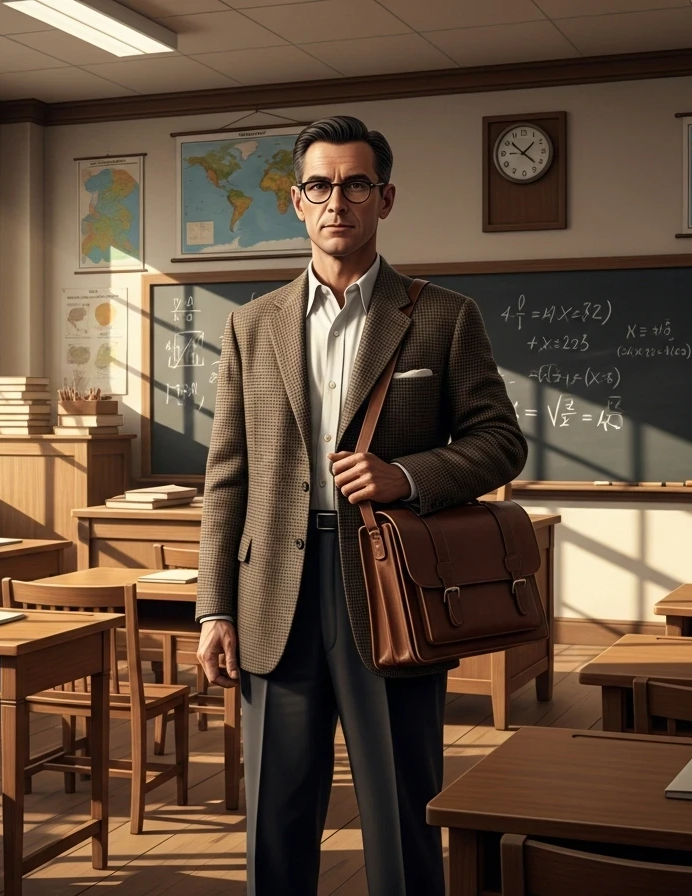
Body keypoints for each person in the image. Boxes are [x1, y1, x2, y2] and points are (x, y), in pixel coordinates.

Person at [194, 115, 527, 896]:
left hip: (390, 589)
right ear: (296, 201)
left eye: (355, 184)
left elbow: (501, 442)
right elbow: (227, 478)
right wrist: (215, 607)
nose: (336, 200)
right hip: (272, 592)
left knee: (402, 809)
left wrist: (405, 477)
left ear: (385, 198)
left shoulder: (442, 316)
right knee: (275, 815)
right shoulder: (252, 325)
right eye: (320, 185)